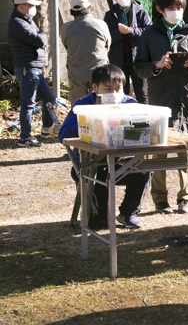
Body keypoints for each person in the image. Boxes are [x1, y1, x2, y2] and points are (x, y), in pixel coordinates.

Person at [135, 0, 188, 214]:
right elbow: (138, 67)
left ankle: (185, 198)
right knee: (159, 151)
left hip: (186, 101)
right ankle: (160, 198)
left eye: (179, 8)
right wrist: (157, 66)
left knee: (184, 151)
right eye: (170, 8)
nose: (175, 12)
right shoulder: (149, 34)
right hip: (160, 101)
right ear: (159, 9)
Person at [58, 64, 151, 229]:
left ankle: (128, 213)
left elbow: (140, 133)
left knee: (143, 171)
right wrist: (90, 121)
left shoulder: (129, 103)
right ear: (95, 88)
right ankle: (95, 213)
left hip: (122, 161)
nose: (114, 94)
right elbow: (64, 134)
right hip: (91, 164)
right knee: (99, 224)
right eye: (108, 89)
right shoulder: (83, 105)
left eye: (118, 88)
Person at [8, 0, 57, 148]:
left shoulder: (26, 20)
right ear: (21, 7)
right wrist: (41, 36)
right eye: (31, 5)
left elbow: (39, 36)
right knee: (28, 104)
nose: (33, 8)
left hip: (34, 68)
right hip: (27, 69)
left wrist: (40, 35)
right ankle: (25, 138)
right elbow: (39, 40)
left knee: (49, 98)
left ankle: (45, 129)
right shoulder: (17, 22)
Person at [104, 0, 153, 104]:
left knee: (141, 92)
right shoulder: (110, 15)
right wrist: (119, 33)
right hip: (118, 58)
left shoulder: (141, 12)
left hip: (138, 57)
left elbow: (148, 32)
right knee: (121, 91)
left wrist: (130, 31)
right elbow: (106, 36)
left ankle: (143, 119)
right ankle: (123, 120)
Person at [60, 0, 111, 103]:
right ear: (89, 8)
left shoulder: (66, 27)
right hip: (99, 72)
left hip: (76, 74)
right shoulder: (101, 25)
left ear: (72, 11)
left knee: (78, 108)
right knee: (98, 108)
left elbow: (66, 45)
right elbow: (107, 46)